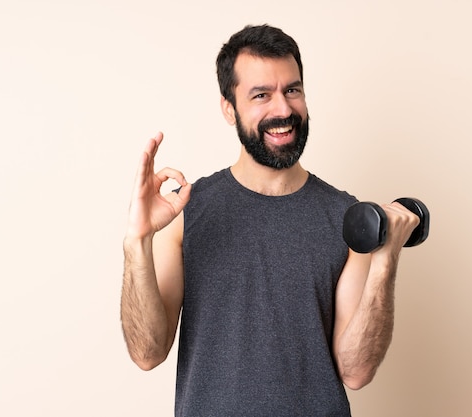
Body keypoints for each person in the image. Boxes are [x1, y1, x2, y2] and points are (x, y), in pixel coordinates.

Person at [120, 24, 419, 416]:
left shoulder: (345, 219)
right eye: (261, 95)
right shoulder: (186, 212)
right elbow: (147, 352)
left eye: (292, 90)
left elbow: (356, 371)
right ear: (229, 108)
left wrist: (386, 259)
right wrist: (137, 242)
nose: (282, 109)